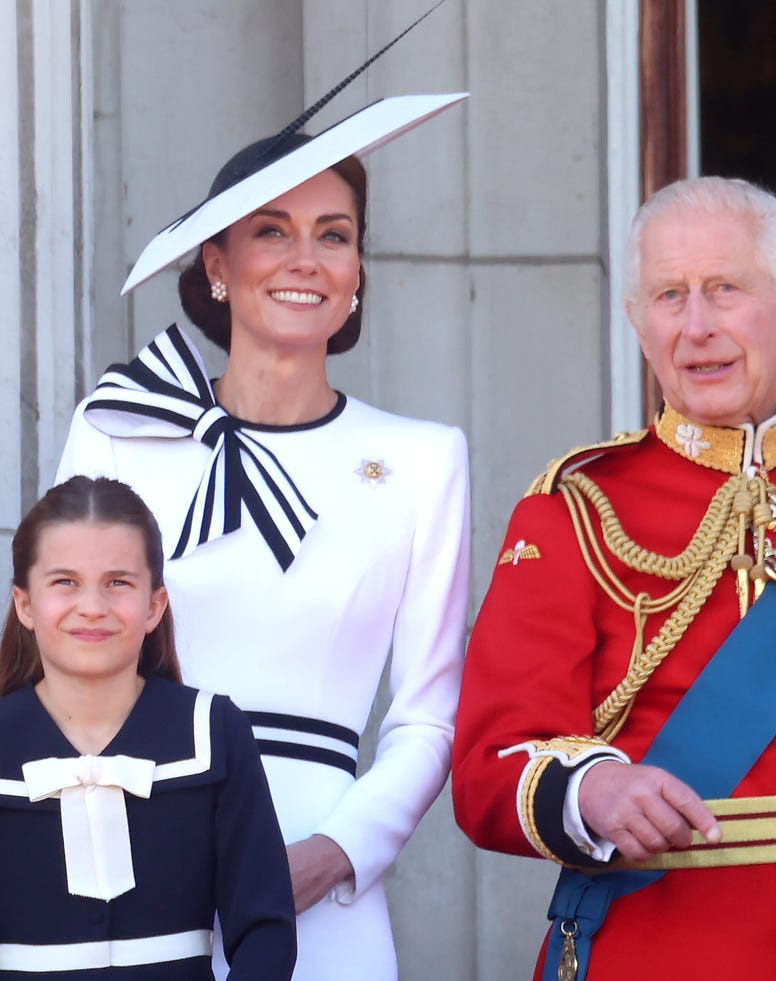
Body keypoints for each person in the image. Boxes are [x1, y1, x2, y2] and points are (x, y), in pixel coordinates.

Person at [451, 177, 776, 981]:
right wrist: (593, 792)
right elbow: (490, 758)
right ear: (638, 320)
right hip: (649, 950)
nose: (696, 326)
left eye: (724, 290)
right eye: (669, 295)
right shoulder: (578, 507)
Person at [56, 95, 470, 980]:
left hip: (320, 886)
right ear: (217, 263)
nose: (306, 260)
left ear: (359, 268)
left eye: (334, 234)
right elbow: (50, 657)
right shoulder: (118, 429)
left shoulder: (423, 460)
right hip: (120, 852)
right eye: (272, 231)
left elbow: (429, 714)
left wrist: (336, 853)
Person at [0, 475, 296, 979]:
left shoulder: (214, 731)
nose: (92, 607)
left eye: (118, 582)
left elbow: (266, 930)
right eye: (64, 582)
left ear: (154, 605)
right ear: (25, 604)